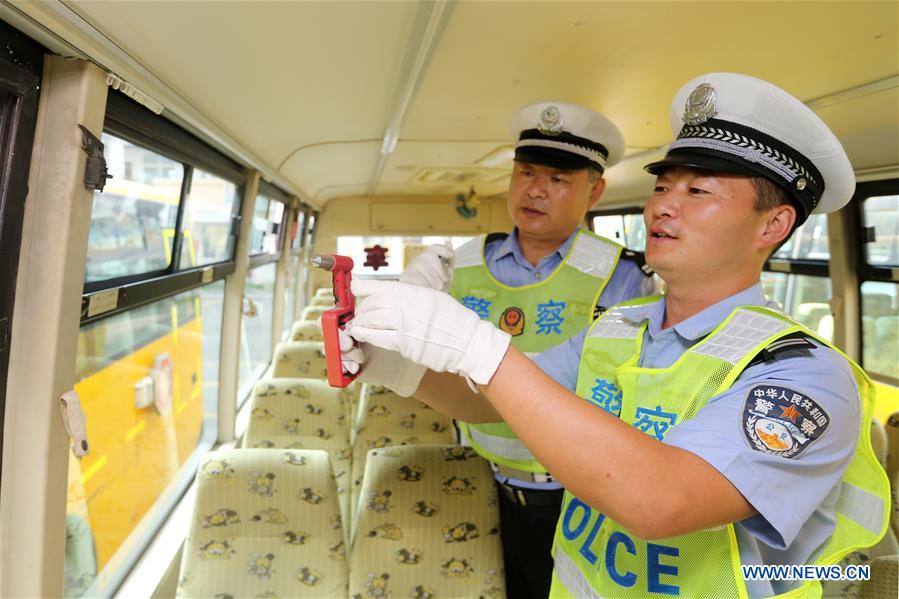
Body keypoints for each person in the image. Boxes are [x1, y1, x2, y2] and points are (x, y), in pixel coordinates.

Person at [343, 73, 890, 597]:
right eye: (662, 186)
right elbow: (489, 403)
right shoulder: (619, 327)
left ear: (772, 225)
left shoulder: (806, 376)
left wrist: (478, 346)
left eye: (697, 190)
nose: (662, 205)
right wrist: (390, 363)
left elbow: (661, 500)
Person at [394, 101, 656, 598]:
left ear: (594, 190)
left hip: (580, 496)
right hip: (476, 480)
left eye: (558, 178)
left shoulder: (622, 278)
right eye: (525, 172)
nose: (535, 189)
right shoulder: (456, 265)